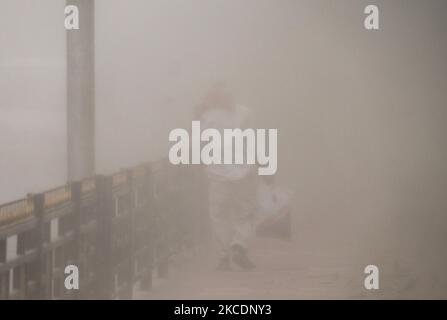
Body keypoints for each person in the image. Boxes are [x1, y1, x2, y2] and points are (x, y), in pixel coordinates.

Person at [196, 86, 257, 271]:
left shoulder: (208, 116)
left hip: (217, 176)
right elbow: (253, 140)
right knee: (245, 213)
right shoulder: (245, 112)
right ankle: (239, 244)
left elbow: (202, 142)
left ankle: (223, 256)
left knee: (219, 216)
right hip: (242, 173)